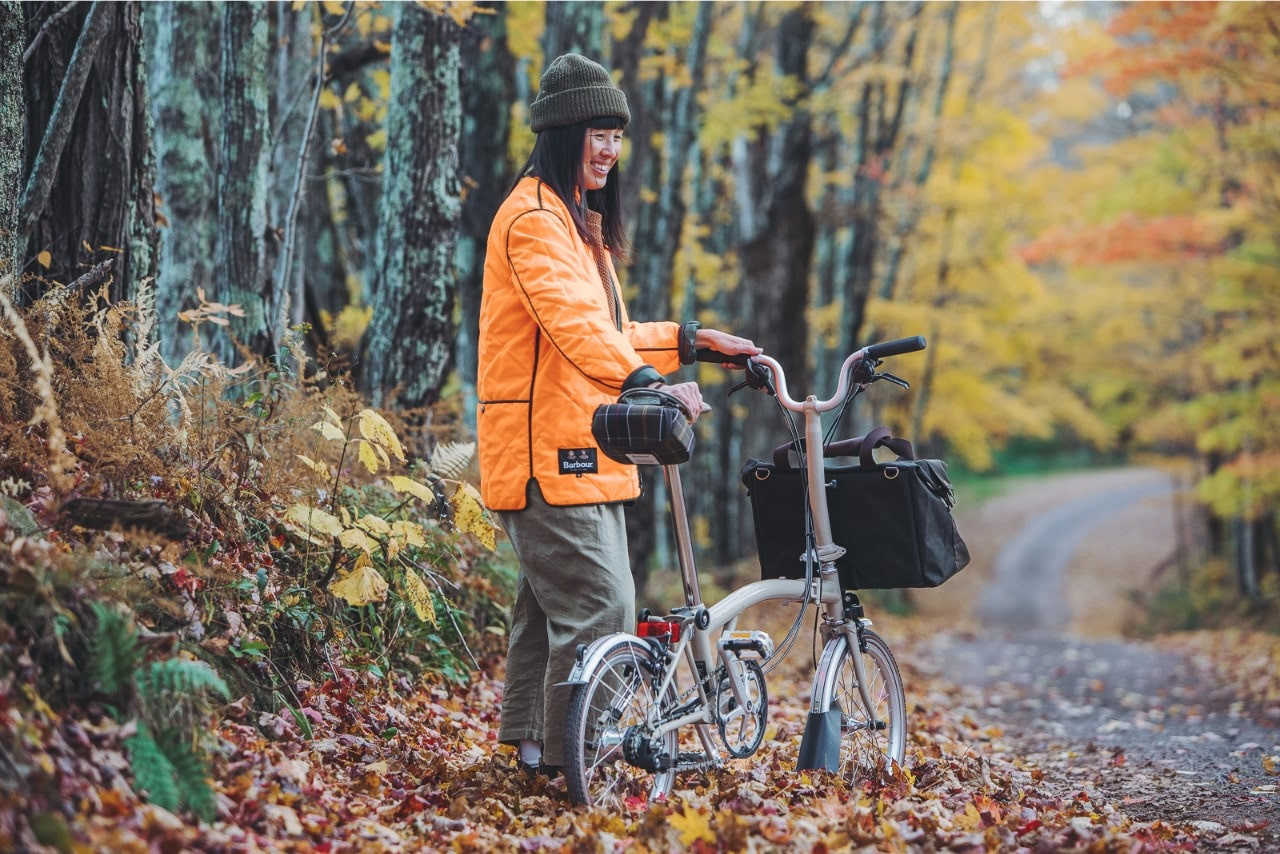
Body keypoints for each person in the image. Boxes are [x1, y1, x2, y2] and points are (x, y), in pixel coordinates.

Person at [476, 53, 760, 775]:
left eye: (618, 135)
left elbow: (605, 331)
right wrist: (644, 382)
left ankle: (540, 751)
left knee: (547, 613)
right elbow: (575, 327)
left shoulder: (577, 227)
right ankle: (583, 757)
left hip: (582, 446)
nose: (609, 149)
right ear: (561, 133)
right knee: (603, 603)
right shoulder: (533, 220)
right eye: (597, 132)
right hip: (545, 455)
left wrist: (691, 344)